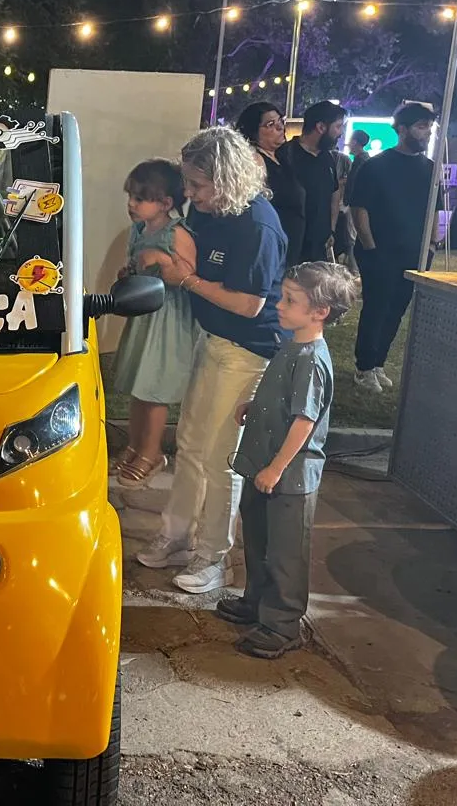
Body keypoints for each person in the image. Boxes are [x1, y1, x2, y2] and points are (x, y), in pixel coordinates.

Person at [137, 127, 288, 594]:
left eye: (197, 184)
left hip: (247, 351)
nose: (189, 193)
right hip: (214, 340)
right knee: (191, 446)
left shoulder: (257, 226)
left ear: (225, 179)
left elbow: (249, 304)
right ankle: (177, 535)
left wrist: (187, 281)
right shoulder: (209, 212)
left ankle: (213, 555)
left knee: (220, 458)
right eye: (188, 182)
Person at [218, 262, 356, 659]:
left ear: (320, 312)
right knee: (259, 541)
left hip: (288, 477)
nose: (279, 304)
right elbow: (283, 396)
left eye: (290, 300)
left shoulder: (312, 358)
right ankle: (256, 603)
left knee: (285, 552)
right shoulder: (292, 342)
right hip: (264, 467)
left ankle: (282, 624)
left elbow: (305, 420)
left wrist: (276, 468)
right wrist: (254, 405)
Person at [109, 159, 198, 491]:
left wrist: (160, 260)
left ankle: (152, 452)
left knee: (155, 388)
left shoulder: (177, 232)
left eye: (140, 198)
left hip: (167, 320)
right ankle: (134, 445)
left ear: (166, 203)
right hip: (144, 316)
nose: (132, 204)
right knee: (138, 385)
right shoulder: (137, 231)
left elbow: (188, 272)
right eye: (130, 197)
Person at [348, 102, 438, 393]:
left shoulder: (429, 169)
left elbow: (434, 210)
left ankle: (378, 363)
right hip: (380, 251)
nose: (426, 133)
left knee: (397, 309)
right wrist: (370, 247)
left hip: (413, 252)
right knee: (376, 307)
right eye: (421, 126)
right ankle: (364, 366)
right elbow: (360, 209)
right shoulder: (376, 166)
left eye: (429, 127)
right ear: (402, 129)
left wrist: (433, 244)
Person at [237, 102, 303, 267]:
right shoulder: (255, 159)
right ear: (253, 131)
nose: (280, 127)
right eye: (270, 124)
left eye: (280, 121)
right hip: (270, 247)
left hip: (289, 244)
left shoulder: (281, 157)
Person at [278, 101, 346, 263]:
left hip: (319, 247)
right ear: (321, 127)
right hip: (290, 247)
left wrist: (331, 229)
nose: (340, 133)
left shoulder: (328, 158)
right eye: (337, 126)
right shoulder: (286, 155)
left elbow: (334, 192)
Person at [336, 129, 372, 274]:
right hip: (353, 202)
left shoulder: (361, 161)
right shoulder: (362, 160)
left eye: (351, 141)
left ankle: (354, 268)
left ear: (356, 143)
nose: (349, 144)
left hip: (355, 204)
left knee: (352, 235)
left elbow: (356, 183)